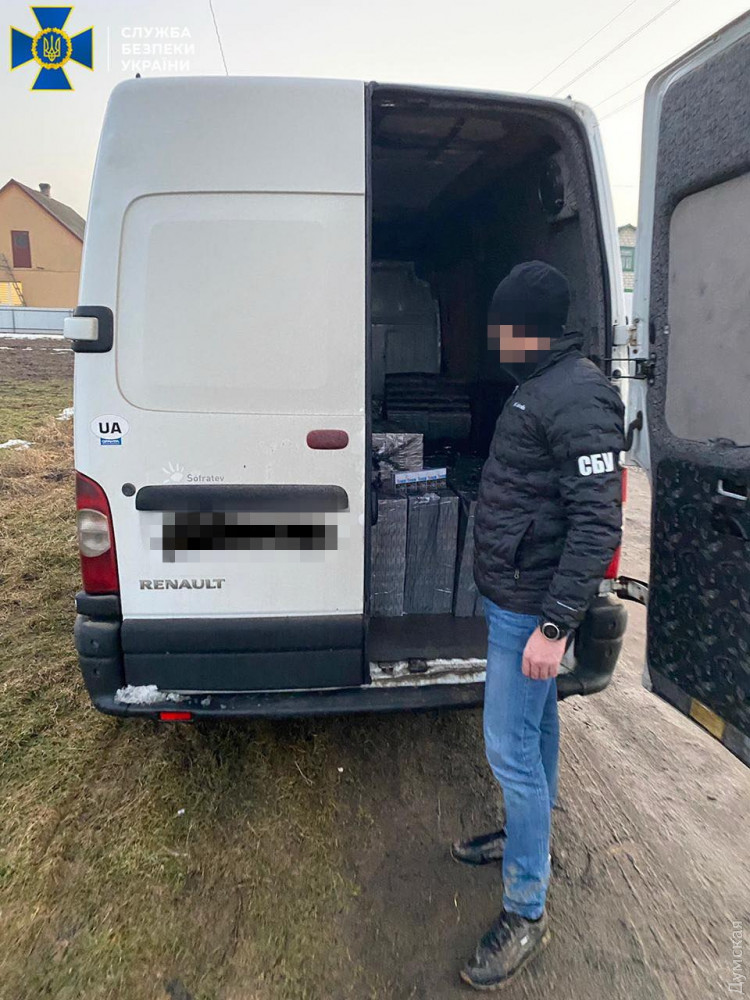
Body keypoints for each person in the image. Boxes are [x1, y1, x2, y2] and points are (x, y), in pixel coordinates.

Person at [455, 260, 625, 990]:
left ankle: (526, 909)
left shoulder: (578, 394)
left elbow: (597, 523)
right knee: (538, 728)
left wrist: (555, 628)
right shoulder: (539, 383)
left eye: (504, 326)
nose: (495, 338)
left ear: (532, 328)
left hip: (532, 606)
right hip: (513, 596)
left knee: (509, 750)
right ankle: (526, 835)